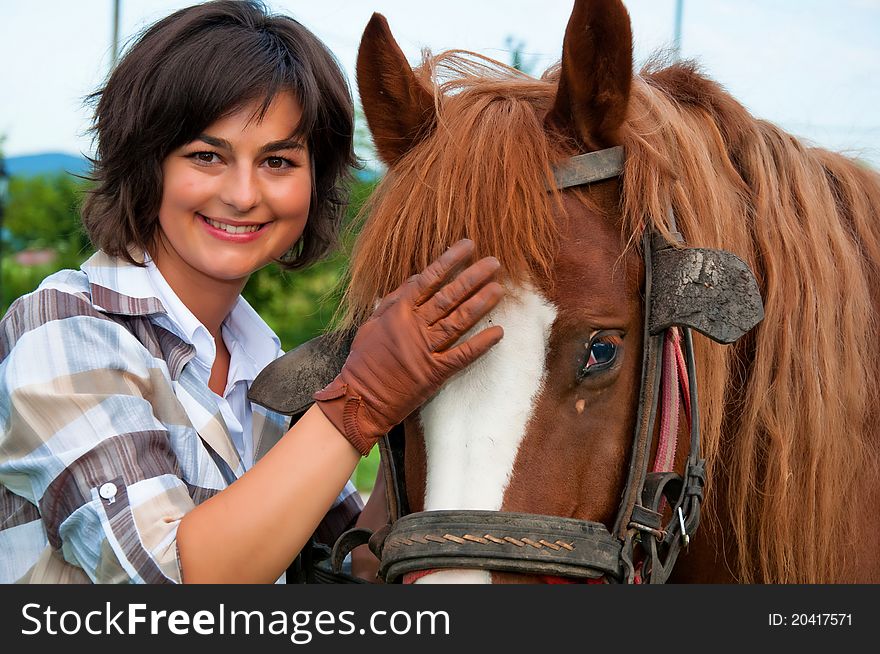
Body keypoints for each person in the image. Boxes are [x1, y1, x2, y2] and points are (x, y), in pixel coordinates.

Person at [0, 0, 504, 584]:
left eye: (278, 161)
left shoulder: (262, 362)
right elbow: (172, 584)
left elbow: (348, 566)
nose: (243, 194)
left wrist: (412, 413)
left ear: (316, 180)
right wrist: (361, 398)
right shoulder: (64, 328)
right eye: (206, 156)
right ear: (146, 163)